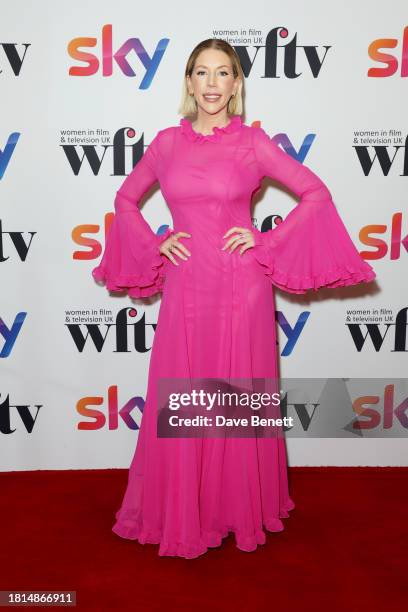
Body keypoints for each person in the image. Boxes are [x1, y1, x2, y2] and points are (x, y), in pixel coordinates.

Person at [92, 38, 376, 559]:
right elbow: (124, 199)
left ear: (236, 83)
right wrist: (157, 242)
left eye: (223, 73)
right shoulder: (165, 144)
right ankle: (186, 509)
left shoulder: (253, 143)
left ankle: (235, 509)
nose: (212, 84)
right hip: (186, 285)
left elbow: (316, 194)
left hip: (239, 285)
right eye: (202, 73)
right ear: (189, 81)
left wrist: (264, 241)